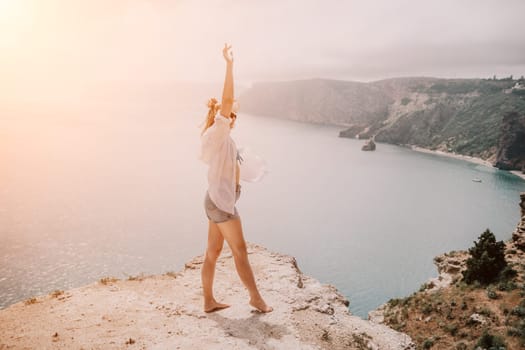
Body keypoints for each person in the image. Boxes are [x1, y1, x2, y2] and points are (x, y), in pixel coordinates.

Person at [199, 44, 273, 313]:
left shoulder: (218, 136)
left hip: (215, 201)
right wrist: (229, 65)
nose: (234, 118)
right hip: (221, 204)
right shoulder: (218, 132)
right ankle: (255, 298)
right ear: (222, 116)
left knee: (213, 253)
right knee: (240, 251)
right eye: (231, 114)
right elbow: (227, 100)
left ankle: (208, 301)